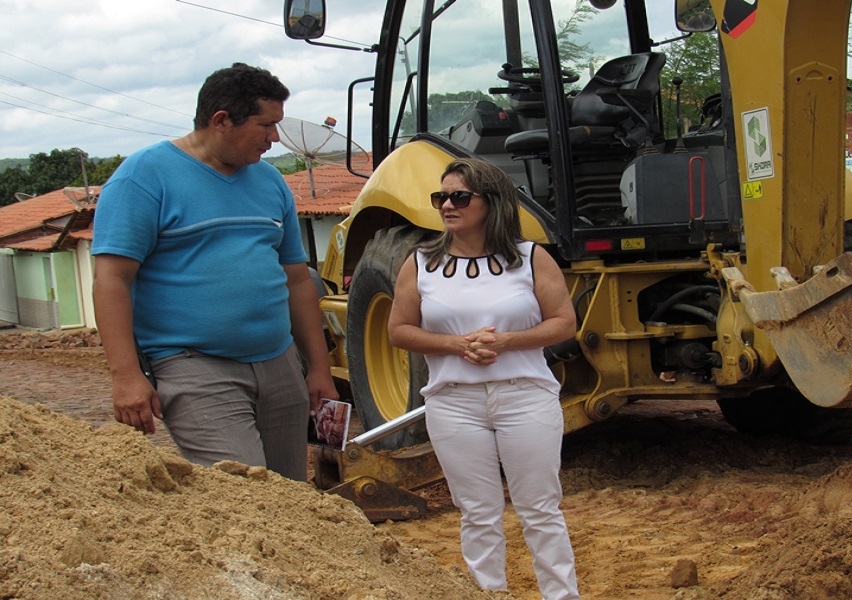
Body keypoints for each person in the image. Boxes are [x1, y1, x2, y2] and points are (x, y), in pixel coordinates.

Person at [91, 63, 337, 482]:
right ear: (221, 120)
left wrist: (318, 367)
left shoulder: (270, 182)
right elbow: (112, 279)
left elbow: (296, 279)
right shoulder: (144, 178)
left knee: (293, 501)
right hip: (194, 367)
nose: (275, 138)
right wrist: (126, 375)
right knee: (245, 492)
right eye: (266, 125)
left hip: (279, 363)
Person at [388, 158, 580, 599]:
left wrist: (507, 341)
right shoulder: (419, 263)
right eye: (441, 197)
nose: (447, 205)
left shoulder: (533, 257)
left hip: (525, 396)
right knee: (476, 512)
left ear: (491, 202)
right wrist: (457, 345)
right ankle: (486, 594)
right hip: (453, 402)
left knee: (540, 509)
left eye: (459, 196)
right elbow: (398, 330)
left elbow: (564, 322)